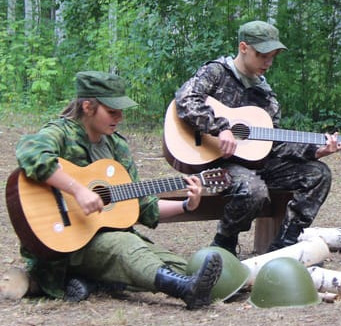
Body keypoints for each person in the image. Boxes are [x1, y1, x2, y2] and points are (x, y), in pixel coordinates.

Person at [13, 71, 222, 309]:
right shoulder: (61, 133)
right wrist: (78, 191)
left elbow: (142, 205)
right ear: (88, 106)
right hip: (66, 245)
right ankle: (185, 290)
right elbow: (30, 151)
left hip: (107, 240)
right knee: (126, 246)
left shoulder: (117, 146)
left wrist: (186, 205)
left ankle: (101, 283)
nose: (120, 117)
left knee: (180, 265)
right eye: (112, 111)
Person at [173, 20, 339, 255]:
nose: (268, 63)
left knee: (318, 173)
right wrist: (220, 128)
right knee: (253, 190)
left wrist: (313, 150)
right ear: (243, 47)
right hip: (215, 161)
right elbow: (186, 99)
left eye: (272, 57)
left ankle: (283, 245)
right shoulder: (217, 72)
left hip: (255, 163)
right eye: (262, 55)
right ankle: (224, 242)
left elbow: (274, 143)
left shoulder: (265, 94)